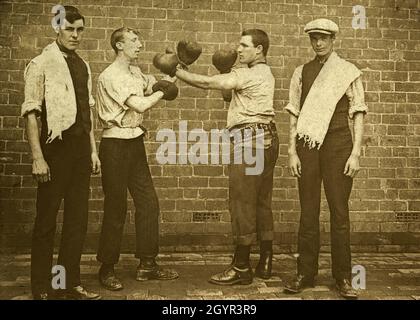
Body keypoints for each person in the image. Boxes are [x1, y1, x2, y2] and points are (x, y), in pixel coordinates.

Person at [174, 29, 279, 285]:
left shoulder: (249, 73)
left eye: (244, 46)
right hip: (266, 138)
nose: (239, 50)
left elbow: (209, 84)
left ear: (259, 50)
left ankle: (242, 267)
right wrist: (225, 72)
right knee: (261, 201)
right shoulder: (264, 73)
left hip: (250, 142)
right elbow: (227, 96)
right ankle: (266, 259)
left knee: (242, 203)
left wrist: (176, 70)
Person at [283, 18, 368, 299]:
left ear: (333, 40)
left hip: (339, 144)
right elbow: (294, 113)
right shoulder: (301, 72)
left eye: (323, 38)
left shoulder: (347, 71)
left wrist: (355, 153)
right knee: (308, 212)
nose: (318, 43)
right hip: (307, 145)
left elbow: (358, 112)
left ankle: (343, 277)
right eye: (314, 38)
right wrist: (292, 151)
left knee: (339, 212)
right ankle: (305, 273)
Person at [21, 6, 101, 300]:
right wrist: (37, 156)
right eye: (70, 29)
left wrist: (92, 151)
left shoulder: (83, 65)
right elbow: (31, 113)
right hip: (54, 149)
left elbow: (86, 113)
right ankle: (42, 288)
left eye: (80, 29)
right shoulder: (41, 63)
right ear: (57, 28)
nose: (76, 35)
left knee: (77, 221)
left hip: (80, 151)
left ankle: (66, 284)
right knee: (46, 221)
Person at [96, 27, 179, 291]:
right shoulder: (110, 76)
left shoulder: (135, 72)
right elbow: (141, 105)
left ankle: (147, 264)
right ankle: (106, 268)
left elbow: (156, 85)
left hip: (134, 143)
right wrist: (163, 91)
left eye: (139, 40)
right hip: (114, 146)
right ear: (119, 45)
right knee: (116, 208)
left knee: (149, 203)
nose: (140, 45)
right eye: (133, 41)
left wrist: (174, 69)